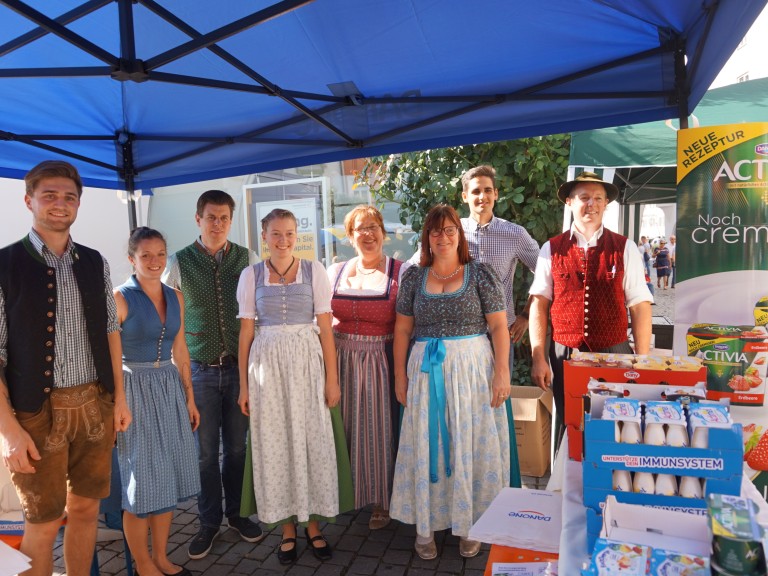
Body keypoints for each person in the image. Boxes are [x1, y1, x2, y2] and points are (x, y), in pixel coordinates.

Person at [0, 160, 131, 576]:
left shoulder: (94, 261)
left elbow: (112, 331)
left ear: (79, 203)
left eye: (69, 197)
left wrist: (119, 400)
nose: (60, 204)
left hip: (95, 403)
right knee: (41, 522)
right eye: (50, 195)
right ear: (29, 200)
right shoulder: (4, 265)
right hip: (36, 415)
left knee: (87, 510)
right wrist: (9, 432)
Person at [391, 204, 512, 560]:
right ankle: (426, 525)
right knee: (429, 442)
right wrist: (399, 375)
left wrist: (502, 372)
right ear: (426, 238)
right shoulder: (413, 276)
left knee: (468, 442)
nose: (442, 237)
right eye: (435, 231)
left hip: (472, 370)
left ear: (459, 236)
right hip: (426, 372)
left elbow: (499, 327)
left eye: (449, 231)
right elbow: (402, 329)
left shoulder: (480, 274)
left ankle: (470, 523)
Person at [237, 209, 343, 565]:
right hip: (266, 369)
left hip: (306, 365)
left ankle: (312, 524)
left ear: (297, 236)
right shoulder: (251, 276)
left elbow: (326, 328)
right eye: (276, 234)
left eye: (290, 233)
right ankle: (286, 527)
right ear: (264, 236)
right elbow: (246, 333)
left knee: (311, 440)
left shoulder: (315, 271)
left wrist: (332, 378)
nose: (283, 240)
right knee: (276, 443)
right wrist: (244, 387)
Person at [163, 190, 262, 559]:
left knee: (237, 449)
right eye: (210, 217)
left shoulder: (247, 259)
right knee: (204, 454)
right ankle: (208, 521)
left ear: (230, 220)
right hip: (201, 370)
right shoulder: (178, 262)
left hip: (238, 370)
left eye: (223, 218)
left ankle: (236, 513)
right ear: (198, 219)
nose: (217, 224)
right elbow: (172, 324)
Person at [529, 171, 653, 426]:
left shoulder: (624, 246)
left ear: (606, 204)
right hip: (565, 352)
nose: (591, 204)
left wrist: (642, 360)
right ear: (570, 202)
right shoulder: (551, 248)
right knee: (571, 422)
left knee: (616, 424)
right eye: (584, 197)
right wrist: (538, 356)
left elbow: (639, 305)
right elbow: (538, 305)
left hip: (614, 350)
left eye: (598, 198)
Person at [115, 227, 201, 576]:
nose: (154, 261)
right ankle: (143, 563)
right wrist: (118, 402)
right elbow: (109, 355)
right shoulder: (120, 298)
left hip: (168, 386)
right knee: (141, 481)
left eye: (160, 254)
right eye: (146, 255)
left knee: (167, 475)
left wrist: (190, 398)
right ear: (131, 258)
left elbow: (181, 349)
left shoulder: (175, 296)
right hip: (134, 388)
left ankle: (162, 557)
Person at [327, 205, 407, 530]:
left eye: (374, 226)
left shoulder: (400, 271)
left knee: (377, 429)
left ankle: (380, 499)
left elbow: (408, 324)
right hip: (341, 356)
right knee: (345, 426)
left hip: (380, 357)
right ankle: (349, 491)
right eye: (360, 228)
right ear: (350, 236)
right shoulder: (334, 271)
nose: (368, 233)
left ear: (383, 233)